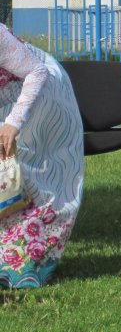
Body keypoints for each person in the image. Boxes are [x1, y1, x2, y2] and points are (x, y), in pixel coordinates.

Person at [0, 24, 84, 288]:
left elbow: (37, 72)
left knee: (28, 177)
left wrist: (14, 122)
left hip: (42, 92)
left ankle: (29, 265)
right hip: (7, 95)